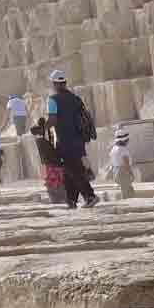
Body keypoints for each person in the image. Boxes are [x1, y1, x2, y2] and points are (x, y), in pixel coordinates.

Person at [44, 70, 98, 208]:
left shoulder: (52, 100)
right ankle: (71, 200)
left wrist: (42, 128)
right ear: (65, 83)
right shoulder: (76, 99)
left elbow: (52, 119)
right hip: (79, 141)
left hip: (65, 141)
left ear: (54, 84)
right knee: (68, 170)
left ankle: (90, 196)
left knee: (74, 170)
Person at [32, 118, 66, 205]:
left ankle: (57, 198)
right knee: (57, 180)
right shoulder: (44, 137)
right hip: (54, 162)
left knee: (53, 180)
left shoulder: (40, 138)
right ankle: (59, 197)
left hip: (49, 162)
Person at [103, 126, 136, 200]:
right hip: (123, 173)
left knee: (127, 191)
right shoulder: (123, 150)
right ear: (125, 140)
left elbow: (111, 162)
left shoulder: (114, 149)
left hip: (116, 172)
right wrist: (131, 174)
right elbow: (126, 164)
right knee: (126, 194)